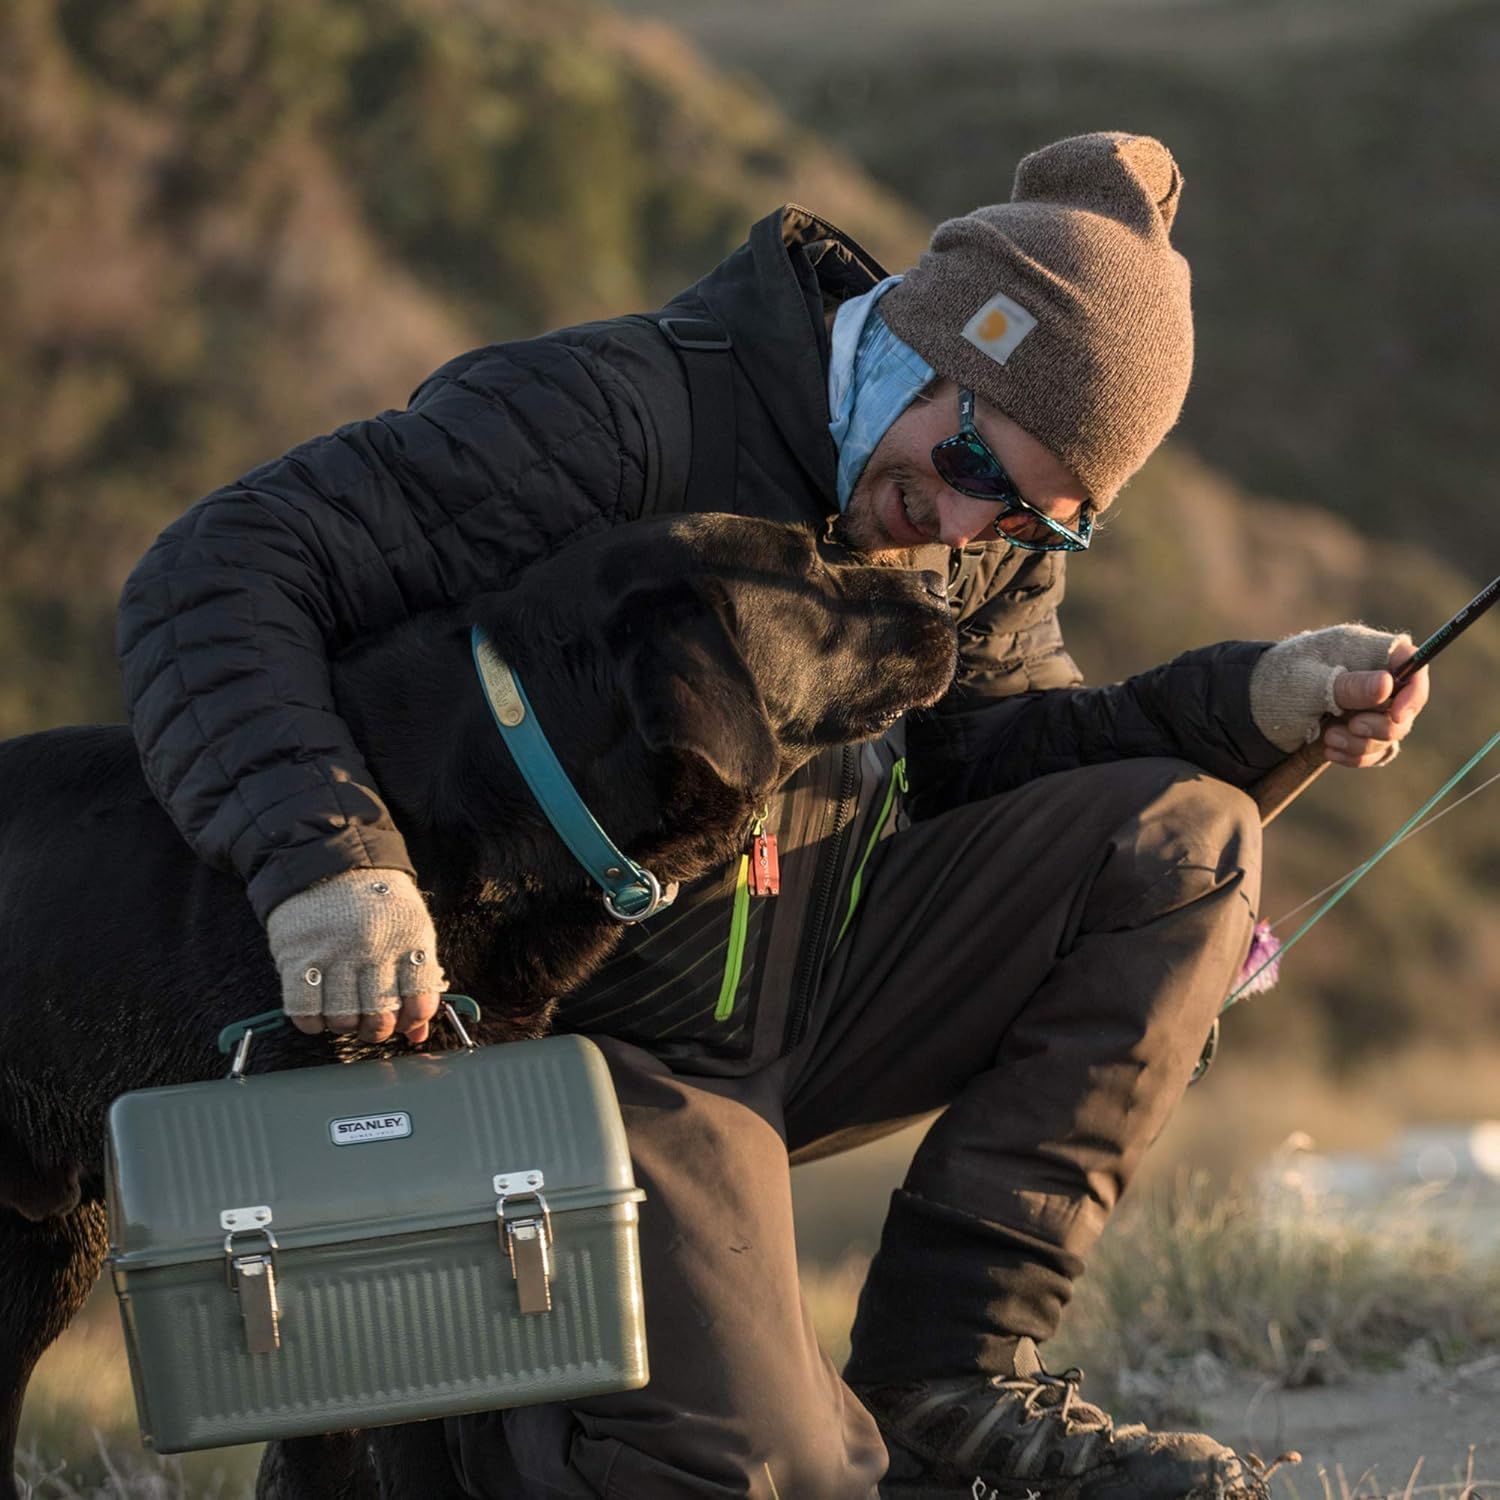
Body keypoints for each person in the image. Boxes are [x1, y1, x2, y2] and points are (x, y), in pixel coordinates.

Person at [117, 133, 1428, 1499]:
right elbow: (214, 574)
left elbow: (989, 757)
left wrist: (1255, 700)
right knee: (775, 1473)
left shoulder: (976, 534)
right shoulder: (614, 417)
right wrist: (327, 859)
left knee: (1185, 839)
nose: (964, 522)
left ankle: (949, 1383)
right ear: (923, 339)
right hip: (567, 1047)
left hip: (795, 999)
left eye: (1035, 521)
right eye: (968, 457)